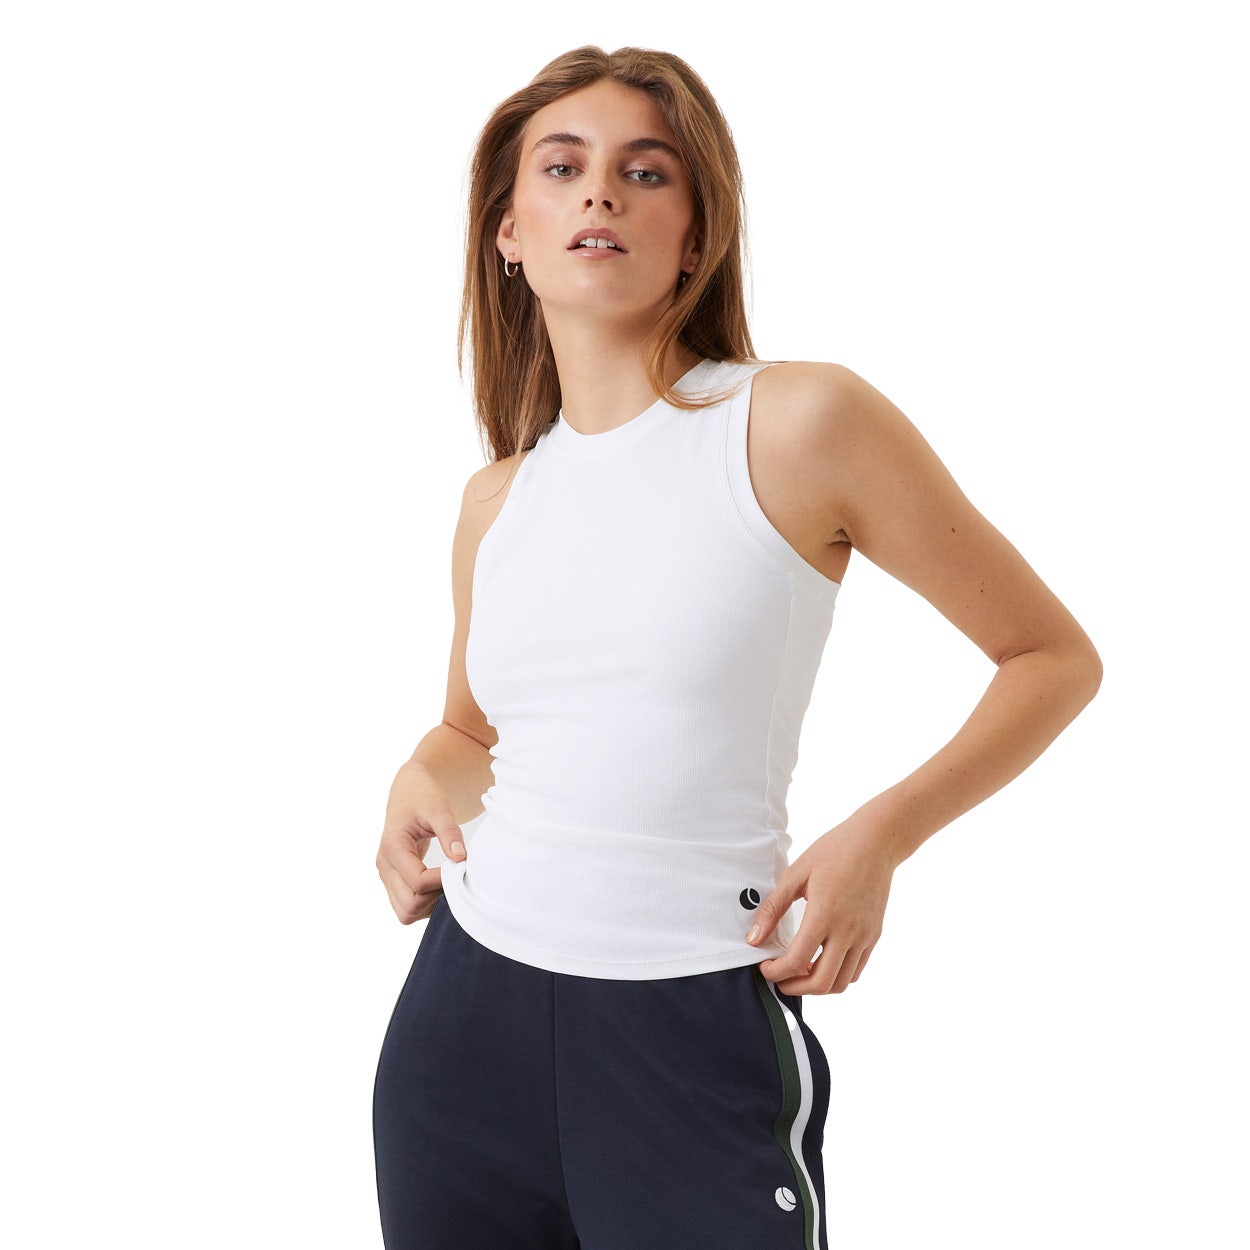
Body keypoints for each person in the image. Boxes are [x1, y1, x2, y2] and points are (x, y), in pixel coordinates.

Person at [371, 44, 1101, 1250]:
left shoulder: (796, 422)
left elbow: (1048, 657)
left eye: (644, 171)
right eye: (562, 166)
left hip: (688, 1015)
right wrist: (417, 772)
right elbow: (472, 732)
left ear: (695, 237)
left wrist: (881, 836)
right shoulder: (495, 501)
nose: (600, 192)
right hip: (461, 1022)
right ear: (508, 232)